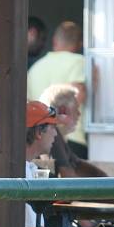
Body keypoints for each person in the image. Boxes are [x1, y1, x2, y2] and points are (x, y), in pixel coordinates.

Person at [27, 21, 88, 157]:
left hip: (40, 138)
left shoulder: (35, 67)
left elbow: (29, 105)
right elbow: (79, 94)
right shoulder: (79, 61)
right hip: (72, 138)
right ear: (80, 44)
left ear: (54, 40)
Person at [0, 16, 46, 142]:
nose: (43, 45)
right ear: (32, 33)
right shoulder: (6, 50)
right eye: (42, 39)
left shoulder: (6, 49)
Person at [39, 84, 107, 178]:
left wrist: (105, 179)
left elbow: (77, 164)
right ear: (63, 111)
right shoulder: (52, 133)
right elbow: (67, 175)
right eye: (76, 108)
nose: (79, 114)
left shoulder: (55, 134)